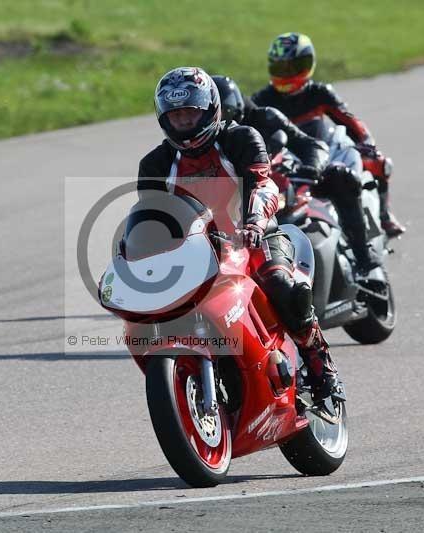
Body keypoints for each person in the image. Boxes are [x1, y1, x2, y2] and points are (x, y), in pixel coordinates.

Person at [137, 67, 337, 402]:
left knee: (281, 285)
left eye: (190, 112)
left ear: (210, 109)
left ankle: (319, 363)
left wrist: (254, 223)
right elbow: (151, 217)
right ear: (164, 118)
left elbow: (263, 184)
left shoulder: (240, 138)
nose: (184, 121)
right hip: (199, 252)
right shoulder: (155, 164)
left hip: (257, 237)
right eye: (176, 115)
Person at [212, 74, 380, 272]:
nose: (220, 122)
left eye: (223, 114)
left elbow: (312, 145)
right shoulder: (198, 140)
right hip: (240, 197)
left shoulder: (266, 118)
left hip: (291, 175)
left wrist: (311, 168)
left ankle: (362, 255)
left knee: (342, 178)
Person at [251, 32, 406, 239]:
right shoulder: (261, 99)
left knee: (379, 162)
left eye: (292, 67)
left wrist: (366, 143)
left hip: (325, 154)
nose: (286, 74)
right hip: (285, 161)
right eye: (281, 68)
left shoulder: (320, 92)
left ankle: (384, 215)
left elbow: (351, 121)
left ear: (307, 65)